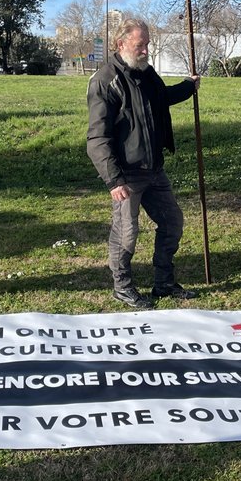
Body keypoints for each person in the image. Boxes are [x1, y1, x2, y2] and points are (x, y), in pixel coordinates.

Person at [86, 19, 201, 310]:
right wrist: (113, 180)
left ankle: (163, 282)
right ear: (121, 44)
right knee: (126, 234)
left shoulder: (147, 73)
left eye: (147, 44)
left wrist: (188, 87)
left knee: (172, 222)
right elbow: (97, 137)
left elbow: (161, 99)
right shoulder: (105, 80)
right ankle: (122, 287)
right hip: (126, 175)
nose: (146, 50)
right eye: (140, 45)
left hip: (154, 170)